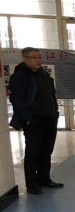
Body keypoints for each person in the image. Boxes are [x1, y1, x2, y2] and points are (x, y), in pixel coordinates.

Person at [8, 47, 63, 194]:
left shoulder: (43, 73)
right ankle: (32, 184)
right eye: (34, 57)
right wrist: (28, 118)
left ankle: (44, 179)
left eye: (39, 57)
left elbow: (51, 94)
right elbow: (16, 99)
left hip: (50, 118)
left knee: (46, 151)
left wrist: (55, 112)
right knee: (33, 153)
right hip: (34, 120)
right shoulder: (19, 76)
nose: (38, 60)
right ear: (25, 59)